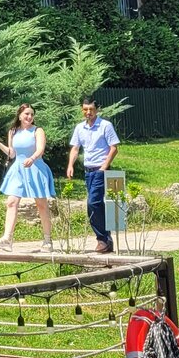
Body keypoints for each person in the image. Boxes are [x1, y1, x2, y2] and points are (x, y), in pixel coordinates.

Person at [0, 103, 54, 250]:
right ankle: (7, 239)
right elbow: (12, 154)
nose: (29, 116)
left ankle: (48, 240)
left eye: (32, 114)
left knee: (41, 204)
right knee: (11, 202)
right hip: (18, 169)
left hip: (35, 168)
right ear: (20, 115)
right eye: (27, 114)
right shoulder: (13, 131)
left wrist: (32, 158)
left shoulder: (38, 131)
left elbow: (40, 149)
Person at [67, 98, 121, 253]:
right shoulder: (80, 128)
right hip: (88, 171)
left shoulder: (105, 126)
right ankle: (106, 239)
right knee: (96, 204)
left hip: (101, 170)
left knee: (93, 203)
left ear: (97, 110)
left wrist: (104, 167)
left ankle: (102, 239)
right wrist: (70, 165)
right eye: (85, 109)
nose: (88, 112)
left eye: (91, 109)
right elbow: (75, 148)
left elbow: (114, 148)